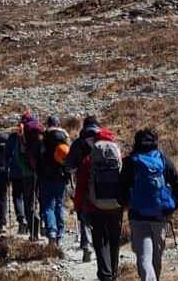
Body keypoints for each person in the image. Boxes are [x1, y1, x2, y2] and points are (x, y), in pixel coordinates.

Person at [119, 128, 178, 281]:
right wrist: (171, 207)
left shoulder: (130, 161)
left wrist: (125, 204)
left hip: (138, 216)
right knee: (156, 258)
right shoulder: (163, 160)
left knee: (144, 258)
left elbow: (121, 187)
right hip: (160, 216)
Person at [75, 125, 123, 281]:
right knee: (114, 240)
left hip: (95, 207)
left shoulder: (89, 159)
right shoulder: (118, 157)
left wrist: (78, 207)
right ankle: (114, 273)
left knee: (99, 240)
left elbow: (81, 186)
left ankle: (105, 274)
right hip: (116, 207)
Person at [65, 116, 99, 262]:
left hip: (83, 184)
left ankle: (86, 246)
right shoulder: (103, 140)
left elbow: (69, 166)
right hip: (102, 185)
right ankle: (101, 246)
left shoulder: (78, 143)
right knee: (100, 214)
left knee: (85, 215)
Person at [39, 115, 71, 250]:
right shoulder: (65, 138)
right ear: (59, 124)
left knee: (48, 206)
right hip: (62, 177)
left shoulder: (44, 139)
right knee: (59, 205)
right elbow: (69, 159)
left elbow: (39, 157)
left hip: (46, 177)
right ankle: (60, 236)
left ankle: (51, 231)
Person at [22, 116, 45, 240]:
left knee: (29, 202)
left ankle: (33, 232)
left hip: (29, 175)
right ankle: (42, 227)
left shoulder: (27, 142)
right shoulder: (41, 142)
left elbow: (22, 158)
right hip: (42, 175)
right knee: (40, 200)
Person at [7, 115, 29, 234]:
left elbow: (7, 155)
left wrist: (7, 170)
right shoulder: (32, 137)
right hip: (30, 173)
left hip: (16, 172)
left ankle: (22, 220)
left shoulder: (12, 137)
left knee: (18, 197)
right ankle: (32, 224)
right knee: (29, 198)